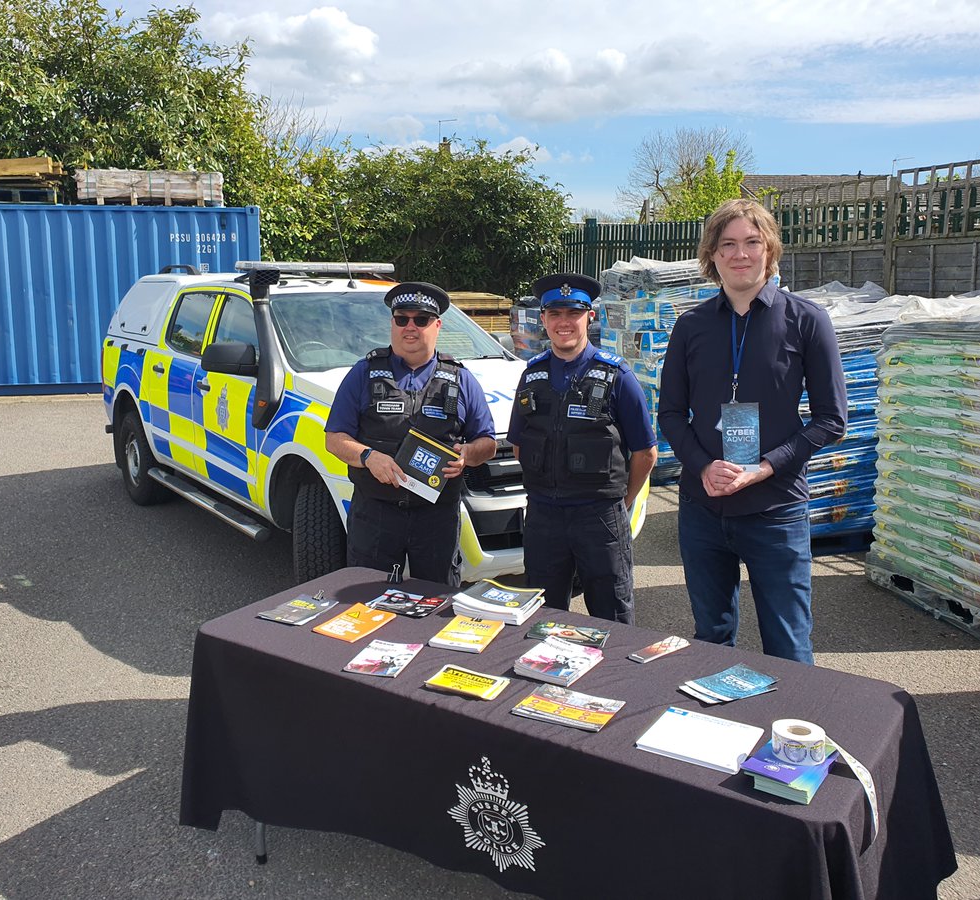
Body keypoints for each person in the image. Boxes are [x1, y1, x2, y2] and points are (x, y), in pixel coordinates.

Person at [658, 199, 847, 665]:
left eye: (751, 242)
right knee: (711, 638)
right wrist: (703, 467)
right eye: (728, 244)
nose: (740, 254)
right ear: (712, 256)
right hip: (704, 509)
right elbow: (670, 414)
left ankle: (790, 736)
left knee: (788, 645)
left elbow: (831, 419)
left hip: (776, 509)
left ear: (769, 250)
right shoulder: (691, 326)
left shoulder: (807, 321)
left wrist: (765, 468)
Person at [507, 273, 658, 624]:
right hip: (544, 517)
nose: (564, 323)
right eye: (555, 314)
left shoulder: (617, 376)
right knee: (541, 618)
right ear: (543, 319)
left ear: (589, 316)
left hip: (600, 518)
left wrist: (622, 502)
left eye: (573, 313)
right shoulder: (531, 375)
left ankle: (611, 679)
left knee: (612, 618)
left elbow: (645, 453)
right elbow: (519, 444)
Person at [325, 282, 497, 586]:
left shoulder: (461, 379)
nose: (410, 327)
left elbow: (487, 442)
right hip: (376, 513)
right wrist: (367, 456)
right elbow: (334, 438)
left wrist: (468, 455)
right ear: (392, 323)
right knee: (366, 602)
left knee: (435, 602)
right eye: (402, 319)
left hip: (436, 518)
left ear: (438, 325)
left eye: (421, 320)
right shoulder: (363, 373)